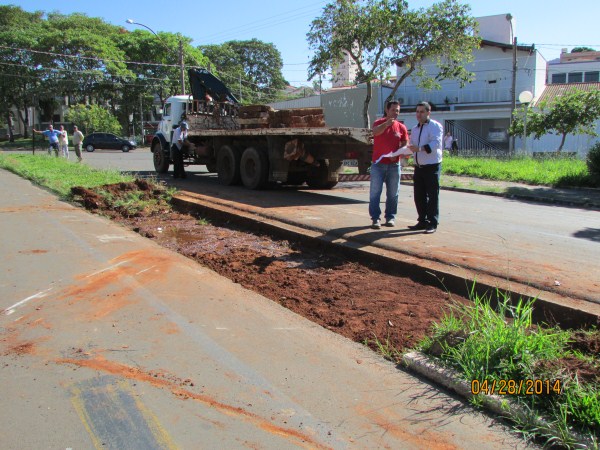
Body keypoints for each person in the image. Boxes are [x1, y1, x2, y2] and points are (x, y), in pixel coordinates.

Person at [369, 100, 408, 229]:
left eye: (397, 111)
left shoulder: (401, 127)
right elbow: (375, 132)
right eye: (393, 110)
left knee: (393, 193)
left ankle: (390, 217)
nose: (395, 113)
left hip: (394, 165)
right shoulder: (379, 122)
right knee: (375, 192)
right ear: (387, 110)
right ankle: (375, 219)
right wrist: (386, 124)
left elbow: (404, 144)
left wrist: (398, 154)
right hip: (378, 164)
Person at [407, 101, 444, 234]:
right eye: (417, 111)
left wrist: (420, 148)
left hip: (432, 166)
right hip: (419, 166)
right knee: (419, 195)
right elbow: (412, 145)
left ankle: (432, 222)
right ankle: (422, 221)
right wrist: (407, 150)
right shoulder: (415, 129)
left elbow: (436, 143)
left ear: (428, 113)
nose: (419, 114)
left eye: (422, 111)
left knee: (432, 195)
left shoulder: (435, 126)